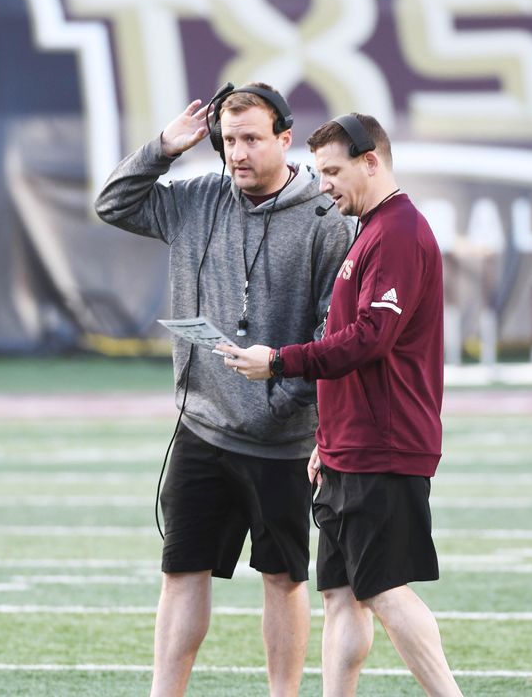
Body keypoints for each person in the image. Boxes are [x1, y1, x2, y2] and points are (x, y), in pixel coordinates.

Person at [95, 83, 354, 697]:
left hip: (282, 439)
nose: (237, 153)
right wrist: (163, 148)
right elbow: (113, 203)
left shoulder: (324, 216)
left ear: (285, 140)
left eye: (251, 139)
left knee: (283, 578)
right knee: (181, 571)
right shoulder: (197, 198)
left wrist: (287, 403)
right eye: (228, 140)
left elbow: (331, 328)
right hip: (202, 427)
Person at [219, 113, 466, 696]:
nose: (322, 183)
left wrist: (279, 360)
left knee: (381, 588)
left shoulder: (400, 232)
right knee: (339, 594)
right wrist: (327, 439)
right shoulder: (371, 231)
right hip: (350, 445)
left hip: (385, 443)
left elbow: (368, 339)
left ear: (371, 161)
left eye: (332, 171)